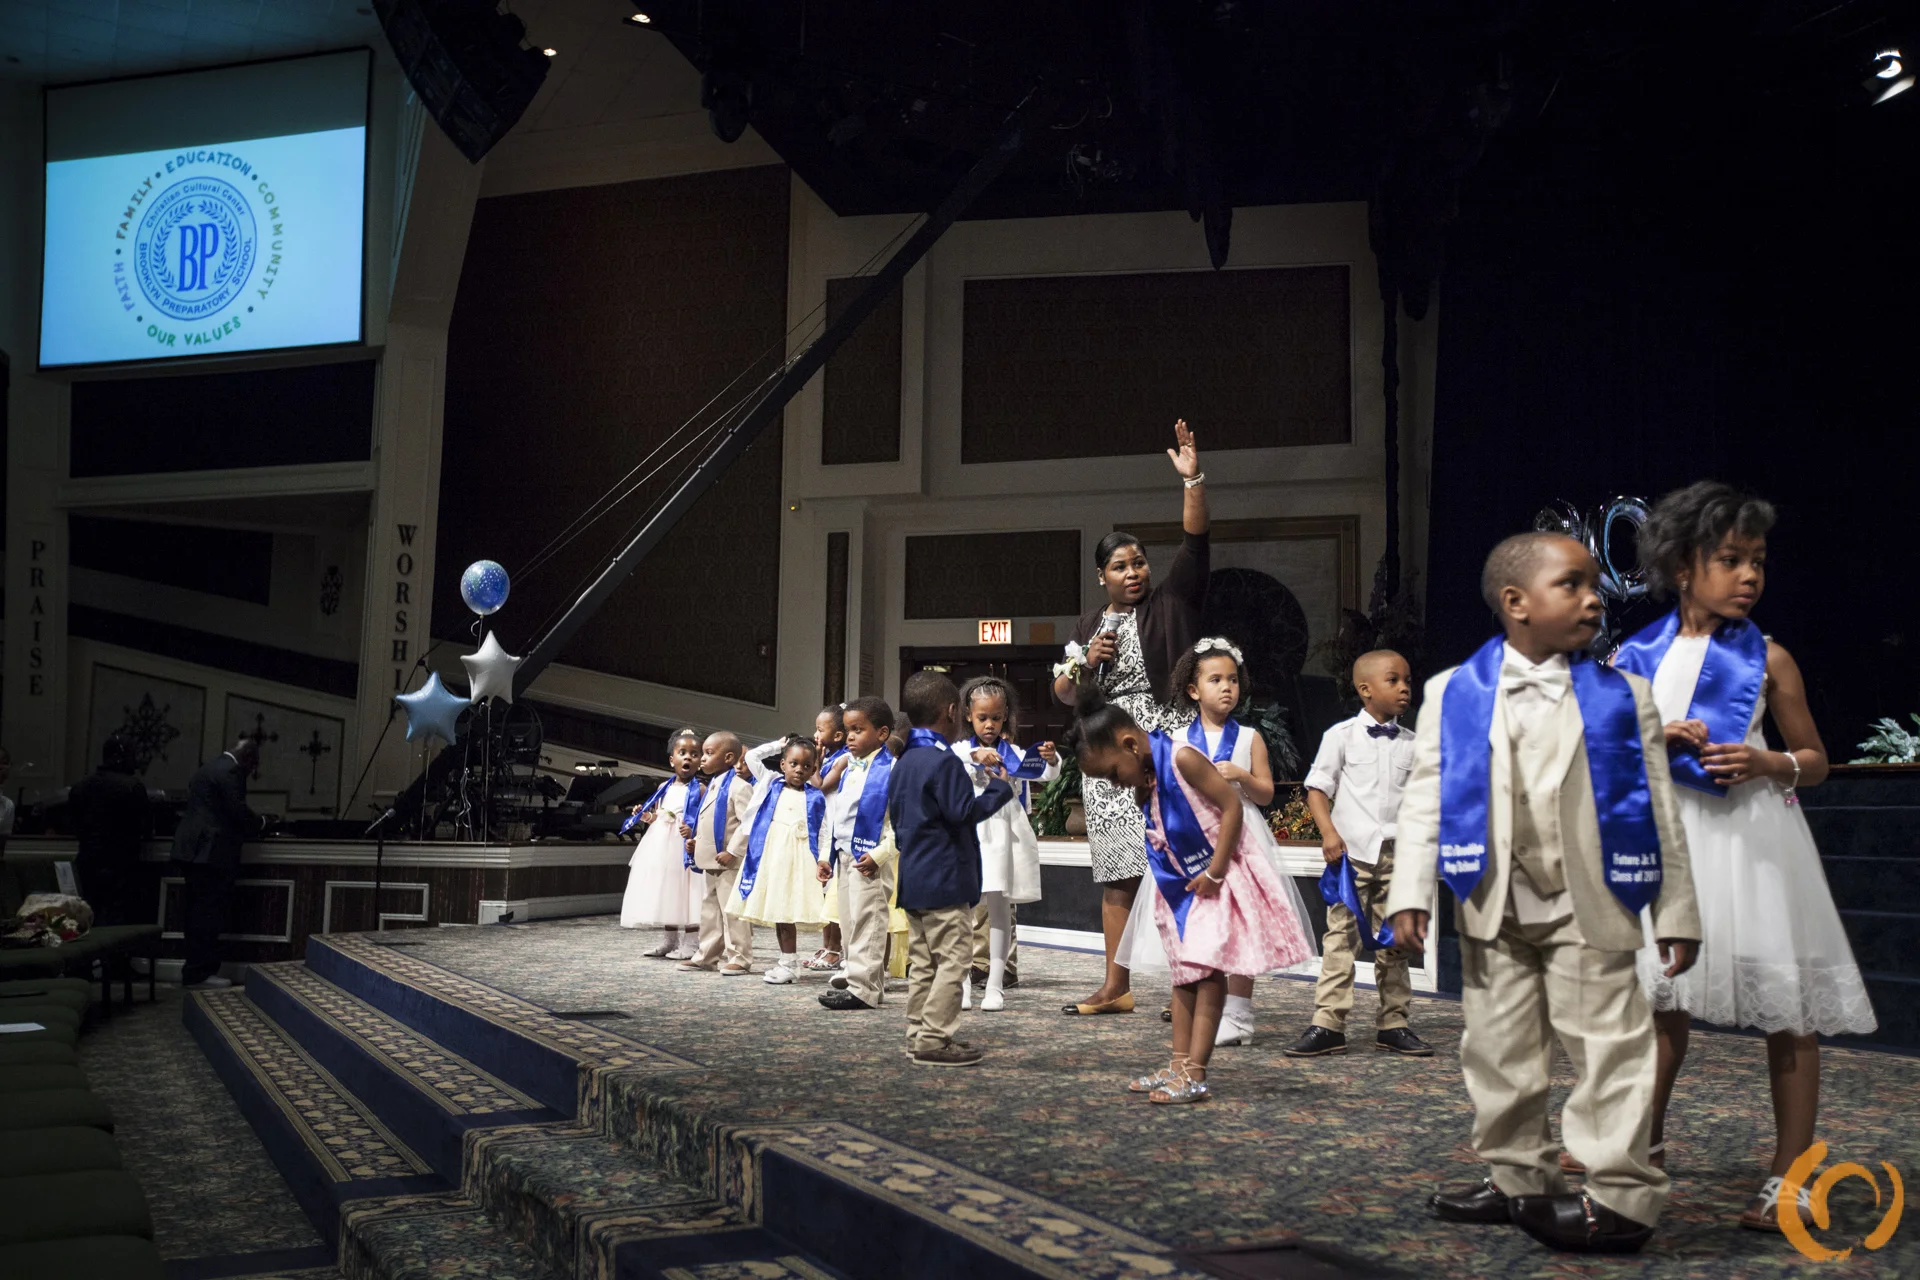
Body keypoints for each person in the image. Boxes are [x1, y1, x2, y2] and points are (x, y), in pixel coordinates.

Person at [1387, 532, 1699, 1255]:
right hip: (1492, 899)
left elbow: (1658, 810)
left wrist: (1676, 909)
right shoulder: (1451, 692)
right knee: (1497, 1052)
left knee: (1611, 1053)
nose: (1594, 598)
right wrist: (1410, 889)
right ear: (1516, 603)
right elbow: (1425, 795)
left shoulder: (1626, 696)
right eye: (1573, 584)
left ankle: (1621, 1198)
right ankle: (1519, 1177)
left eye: (1595, 585)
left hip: (1591, 900)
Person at [1604, 482, 1876, 1232]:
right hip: (1668, 841)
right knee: (1657, 1003)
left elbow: (1817, 758)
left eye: (1758, 561)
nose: (1750, 576)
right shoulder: (1634, 656)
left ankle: (1792, 1170)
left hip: (1754, 844)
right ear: (1683, 566)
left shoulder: (1771, 658)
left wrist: (1769, 763)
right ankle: (1640, 1140)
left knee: (1785, 1008)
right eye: (1731, 560)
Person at [1071, 686, 1313, 1103]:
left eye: (1112, 774)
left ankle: (1196, 1073)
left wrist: (1216, 872)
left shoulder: (1181, 757)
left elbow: (1232, 808)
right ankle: (1179, 1063)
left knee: (1207, 973)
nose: (1115, 784)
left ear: (1130, 744)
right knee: (1184, 975)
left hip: (1214, 877)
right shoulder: (1147, 774)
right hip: (1180, 885)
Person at [1052, 418, 1210, 1016]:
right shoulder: (1085, 628)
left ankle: (1187, 983)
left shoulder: (1171, 601)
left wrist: (1192, 478)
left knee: (1178, 867)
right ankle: (1116, 987)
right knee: (1119, 877)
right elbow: (1065, 694)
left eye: (1140, 562)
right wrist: (1086, 662)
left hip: (1164, 747)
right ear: (1103, 576)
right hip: (1110, 764)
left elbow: (1195, 546)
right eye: (1121, 566)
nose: (1135, 572)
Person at [1114, 638, 1318, 1047]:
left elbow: (1264, 792)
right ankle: (1203, 1005)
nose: (1226, 687)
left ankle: (1239, 1014)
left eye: (1232, 680)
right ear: (1193, 690)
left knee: (1242, 927)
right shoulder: (1174, 738)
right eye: (1215, 680)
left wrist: (1241, 776)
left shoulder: (1249, 737)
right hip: (1188, 842)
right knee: (1198, 926)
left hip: (1239, 840)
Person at [1286, 649, 1431, 1058]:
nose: (1404, 688)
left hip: (1398, 857)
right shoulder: (1341, 735)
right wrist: (1328, 833)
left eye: (1407, 680)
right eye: (1393, 680)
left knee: (1395, 944)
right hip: (1352, 856)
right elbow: (1318, 789)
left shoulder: (1413, 743)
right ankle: (1328, 1023)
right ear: (1365, 689)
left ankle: (1394, 1022)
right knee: (1340, 940)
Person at [888, 671, 1014, 1066]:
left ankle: (917, 1033)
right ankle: (934, 1039)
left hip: (914, 876)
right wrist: (998, 788)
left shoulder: (904, 760)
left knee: (924, 962)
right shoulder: (943, 762)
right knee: (955, 959)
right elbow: (964, 812)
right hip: (944, 877)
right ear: (952, 711)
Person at [951, 676, 1055, 1012]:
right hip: (970, 832)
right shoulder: (961, 751)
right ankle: (962, 983)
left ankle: (995, 983)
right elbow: (950, 762)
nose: (989, 725)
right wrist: (975, 756)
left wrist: (1051, 760)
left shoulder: (1015, 753)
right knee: (963, 912)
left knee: (999, 909)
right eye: (982, 718)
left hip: (1004, 836)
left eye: (996, 718)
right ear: (968, 715)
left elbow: (1043, 774)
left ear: (1005, 716)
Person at [819, 697, 902, 1011]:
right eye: (847, 730)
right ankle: (864, 983)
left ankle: (862, 990)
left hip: (872, 860)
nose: (850, 736)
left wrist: (880, 855)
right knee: (850, 923)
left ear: (881, 734)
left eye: (858, 730)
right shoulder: (850, 767)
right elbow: (837, 815)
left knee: (870, 922)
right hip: (844, 855)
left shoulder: (891, 770)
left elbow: (902, 825)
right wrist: (827, 855)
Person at [726, 736, 830, 984]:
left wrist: (823, 859)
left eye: (806, 766)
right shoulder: (770, 783)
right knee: (778, 913)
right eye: (793, 763)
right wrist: (778, 745)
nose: (799, 770)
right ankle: (786, 962)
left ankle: (791, 964)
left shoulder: (816, 797)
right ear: (782, 764)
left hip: (799, 859)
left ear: (814, 770)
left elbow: (825, 831)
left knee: (787, 912)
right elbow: (751, 757)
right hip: (772, 856)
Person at [170, 736, 264, 989]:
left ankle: (194, 970)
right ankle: (200, 973)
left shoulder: (209, 767)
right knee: (208, 914)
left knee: (195, 913)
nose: (252, 771)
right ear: (248, 758)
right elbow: (237, 811)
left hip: (193, 850)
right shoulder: (231, 771)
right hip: (211, 852)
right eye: (253, 765)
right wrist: (262, 823)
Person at [677, 731, 758, 975]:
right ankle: (707, 955)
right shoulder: (713, 785)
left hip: (729, 862)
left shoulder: (739, 787)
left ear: (728, 757)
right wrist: (695, 841)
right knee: (710, 909)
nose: (702, 759)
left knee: (732, 911)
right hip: (711, 860)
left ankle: (740, 956)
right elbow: (708, 820)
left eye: (709, 754)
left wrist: (733, 851)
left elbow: (748, 824)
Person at [619, 729, 704, 957]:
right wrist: (646, 816)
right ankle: (670, 940)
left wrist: (693, 831)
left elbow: (705, 819)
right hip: (662, 845)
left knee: (688, 891)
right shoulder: (663, 788)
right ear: (672, 759)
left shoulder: (701, 789)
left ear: (701, 761)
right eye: (682, 753)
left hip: (685, 845)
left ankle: (692, 942)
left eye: (694, 754)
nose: (688, 758)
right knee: (668, 890)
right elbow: (658, 816)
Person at [69, 733, 153, 926]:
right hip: (121, 867)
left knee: (88, 920)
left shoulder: (80, 787)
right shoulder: (133, 787)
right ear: (119, 756)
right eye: (134, 755)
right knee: (117, 923)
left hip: (87, 863)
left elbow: (74, 825)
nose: (137, 761)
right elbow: (146, 828)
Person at [805, 705, 852, 973]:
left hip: (836, 826)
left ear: (837, 735)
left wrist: (816, 764)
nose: (815, 733)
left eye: (820, 729)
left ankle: (836, 947)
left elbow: (821, 784)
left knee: (834, 892)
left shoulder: (843, 758)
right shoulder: (833, 754)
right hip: (824, 827)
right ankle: (826, 945)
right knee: (825, 890)